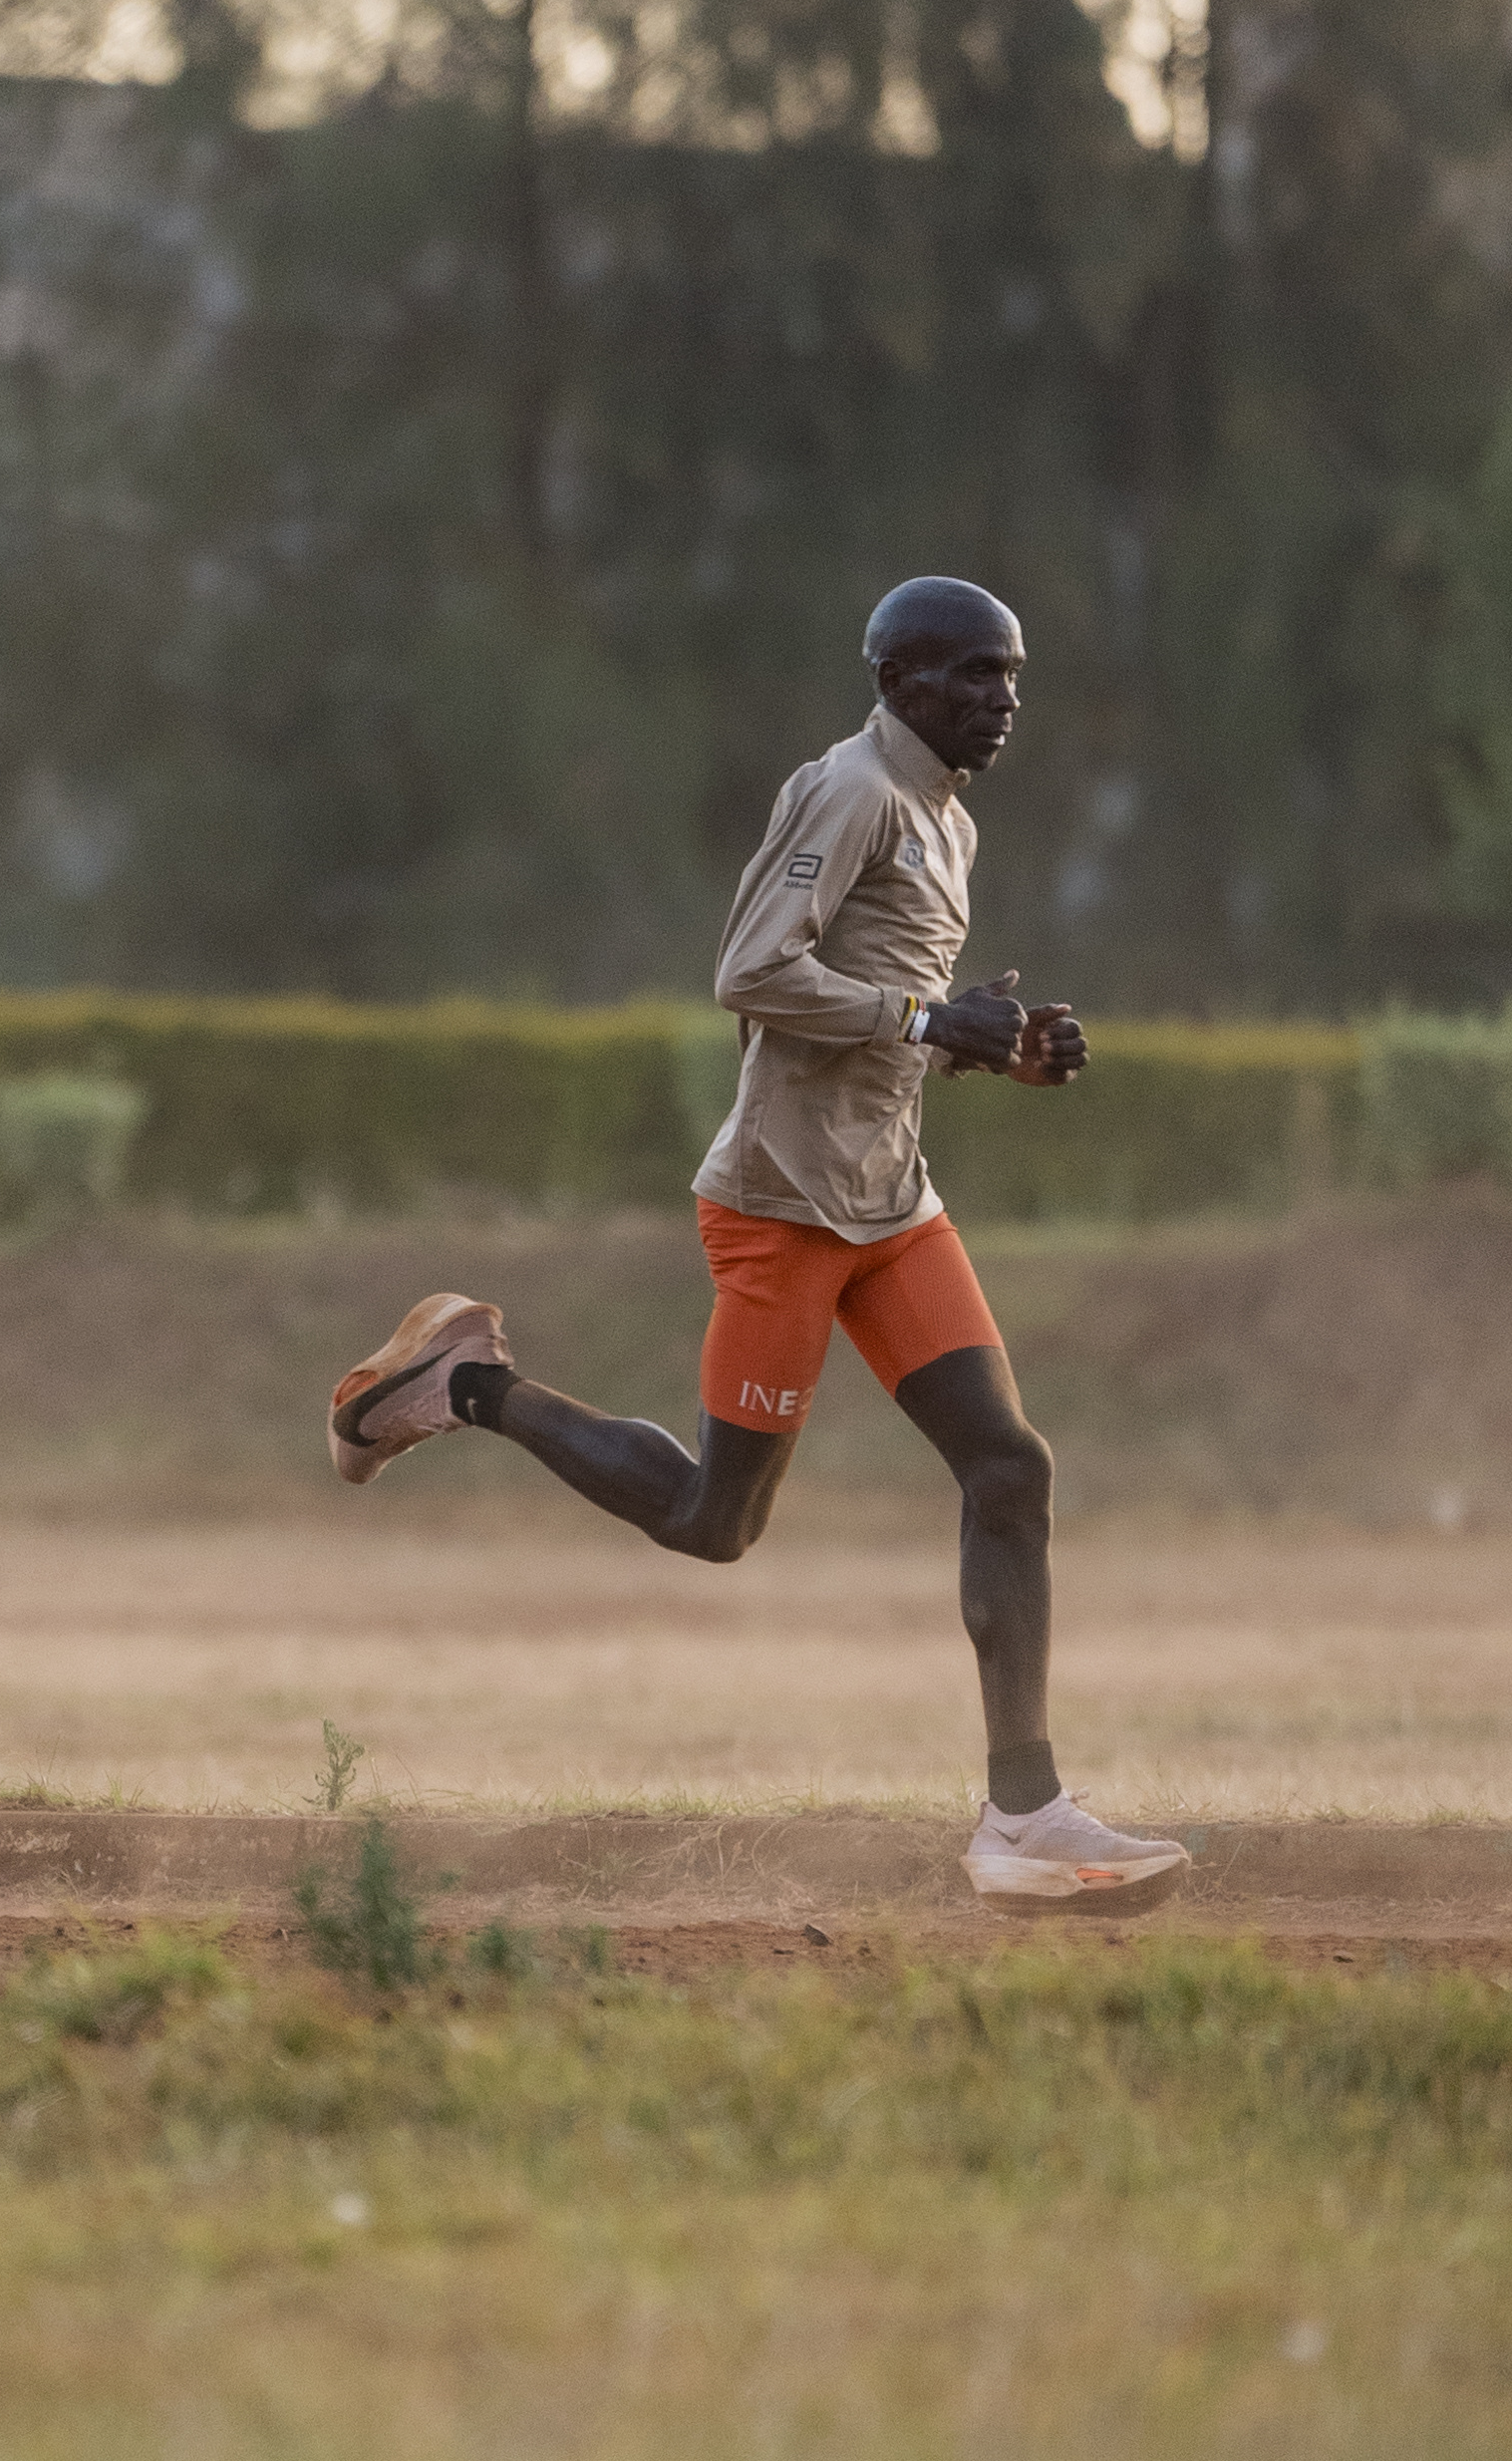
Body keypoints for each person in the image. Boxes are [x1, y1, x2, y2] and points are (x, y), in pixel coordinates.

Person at [326, 576, 1189, 1908]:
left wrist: (994, 1050)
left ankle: (1025, 1813)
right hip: (782, 1206)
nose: (1001, 701)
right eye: (972, 675)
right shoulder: (848, 789)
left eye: (1012, 676)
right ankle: (465, 1386)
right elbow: (750, 971)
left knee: (1008, 1468)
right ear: (899, 682)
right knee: (712, 1523)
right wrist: (920, 1019)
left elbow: (880, 1020)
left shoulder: (945, 818)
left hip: (890, 1204)